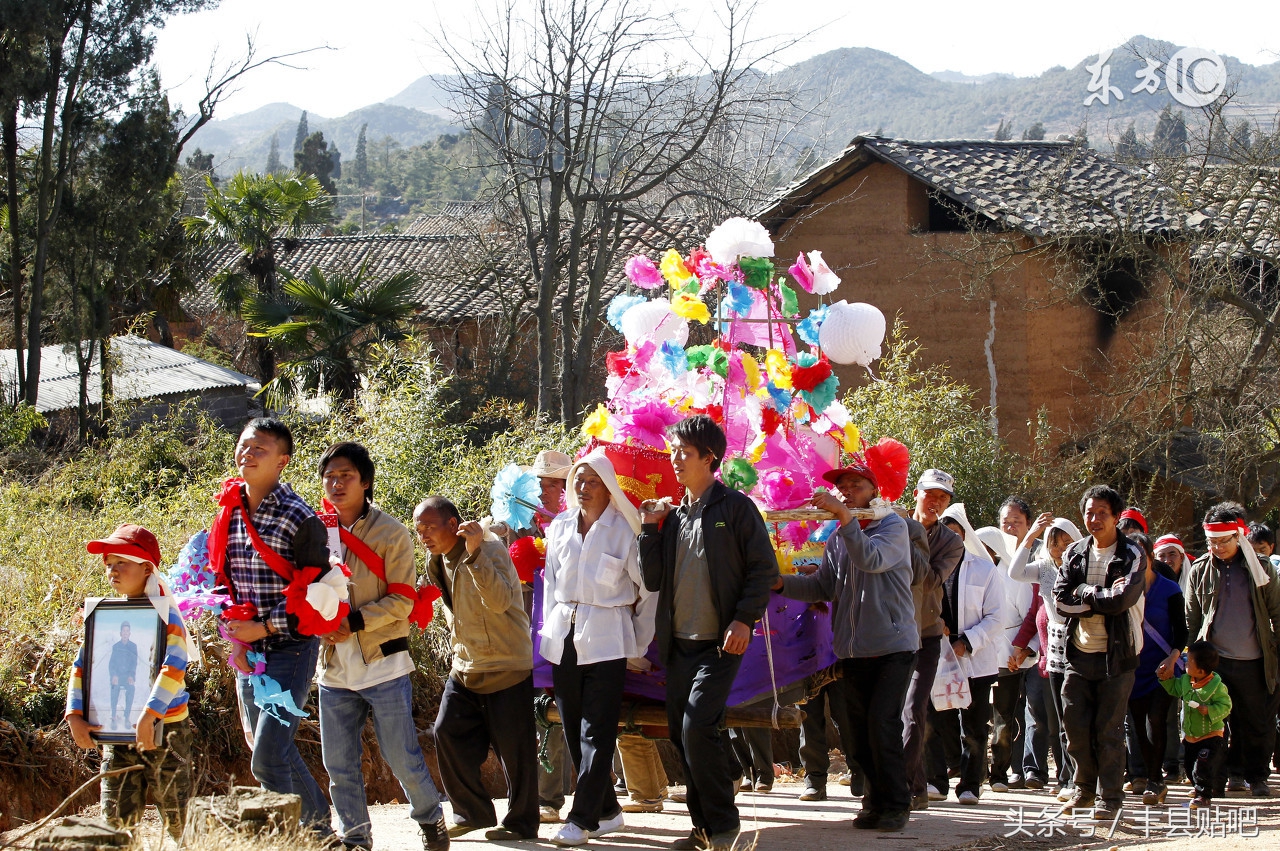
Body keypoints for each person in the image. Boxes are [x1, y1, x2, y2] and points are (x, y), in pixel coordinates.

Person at [638, 415, 778, 851]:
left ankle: (723, 825)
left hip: (721, 642)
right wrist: (648, 529)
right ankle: (702, 830)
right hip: (678, 643)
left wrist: (743, 619)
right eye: (673, 451)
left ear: (709, 458)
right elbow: (654, 579)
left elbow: (764, 571)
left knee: (698, 725)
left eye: (684, 452)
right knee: (684, 733)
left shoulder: (735, 509)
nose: (675, 459)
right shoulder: (675, 515)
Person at [772, 438, 917, 832]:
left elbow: (871, 560)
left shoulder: (893, 528)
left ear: (875, 491)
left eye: (857, 485)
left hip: (892, 647)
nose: (848, 492)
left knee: (882, 725)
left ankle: (896, 804)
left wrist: (845, 518)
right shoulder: (838, 538)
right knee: (855, 732)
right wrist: (779, 584)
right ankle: (874, 800)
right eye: (844, 486)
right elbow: (823, 586)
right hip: (851, 651)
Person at [315, 443, 449, 851]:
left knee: (401, 756)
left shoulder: (391, 532)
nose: (337, 484)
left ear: (366, 482)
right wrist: (319, 625)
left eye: (346, 476)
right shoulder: (316, 532)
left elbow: (403, 600)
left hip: (384, 663)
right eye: (330, 477)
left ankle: (430, 819)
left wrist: (351, 622)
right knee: (338, 763)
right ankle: (357, 838)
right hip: (334, 666)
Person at [210, 417, 334, 833]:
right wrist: (235, 636)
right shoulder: (228, 510)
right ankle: (320, 829)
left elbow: (320, 597)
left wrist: (263, 629)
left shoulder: (301, 518)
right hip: (248, 650)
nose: (247, 453)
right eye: (244, 445)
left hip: (290, 648)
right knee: (269, 748)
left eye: (259, 448)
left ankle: (302, 837)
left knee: (266, 755)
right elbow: (221, 580)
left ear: (282, 461)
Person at [540, 450, 655, 846]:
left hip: (608, 639)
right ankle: (608, 810)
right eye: (578, 481)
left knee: (597, 731)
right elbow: (551, 585)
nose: (582, 488)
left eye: (591, 482)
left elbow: (647, 591)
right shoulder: (559, 527)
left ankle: (581, 819)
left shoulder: (625, 530)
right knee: (573, 729)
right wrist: (548, 632)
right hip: (564, 637)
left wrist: (637, 643)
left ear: (609, 488)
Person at [416, 496, 539, 841]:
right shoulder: (435, 559)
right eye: (418, 528)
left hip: (506, 662)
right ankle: (473, 812)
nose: (423, 534)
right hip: (466, 663)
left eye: (429, 526)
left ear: (453, 525)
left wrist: (475, 555)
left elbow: (500, 601)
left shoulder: (490, 549)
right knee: (446, 732)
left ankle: (521, 822)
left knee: (514, 749)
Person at [66, 524, 193, 840]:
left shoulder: (166, 616)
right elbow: (82, 666)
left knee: (177, 817)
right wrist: (74, 716)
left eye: (121, 562)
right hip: (115, 731)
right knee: (116, 821)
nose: (113, 570)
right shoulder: (103, 616)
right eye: (109, 564)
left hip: (167, 730)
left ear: (147, 568)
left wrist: (149, 715)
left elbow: (175, 664)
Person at [1054, 485, 1146, 821]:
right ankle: (1083, 789)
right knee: (1075, 726)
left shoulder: (1132, 554)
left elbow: (1122, 601)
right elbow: (1061, 601)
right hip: (1078, 653)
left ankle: (1110, 798)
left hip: (1117, 655)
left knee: (1108, 729)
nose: (1094, 519)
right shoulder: (1075, 553)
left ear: (1117, 517)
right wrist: (1097, 596)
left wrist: (1084, 593)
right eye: (1089, 513)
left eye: (1102, 513)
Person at [494, 448, 575, 826]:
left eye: (554, 483)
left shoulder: (576, 522)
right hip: (520, 627)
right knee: (526, 711)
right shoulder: (515, 523)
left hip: (563, 626)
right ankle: (528, 794)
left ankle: (549, 798)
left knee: (552, 709)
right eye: (540, 483)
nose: (545, 491)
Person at [1185, 501, 1280, 797]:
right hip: (1215, 662)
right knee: (1213, 723)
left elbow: (1277, 613)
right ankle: (1219, 778)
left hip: (1256, 660)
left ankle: (1256, 776)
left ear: (1238, 536)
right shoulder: (1199, 570)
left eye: (1224, 540)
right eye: (1212, 541)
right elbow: (1191, 621)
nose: (1217, 547)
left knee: (1256, 722)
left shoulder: (1261, 569)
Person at [927, 504, 1005, 806]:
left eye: (956, 534)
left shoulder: (984, 569)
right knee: (934, 723)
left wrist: (967, 642)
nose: (950, 539)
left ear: (965, 536)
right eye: (943, 534)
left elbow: (996, 616)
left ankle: (971, 784)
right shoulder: (929, 568)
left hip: (976, 661)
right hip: (938, 659)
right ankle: (936, 781)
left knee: (974, 728)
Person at [901, 469, 963, 811]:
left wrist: (909, 536)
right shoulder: (888, 524)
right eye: (930, 494)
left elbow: (929, 580)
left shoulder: (951, 543)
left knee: (914, 710)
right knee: (888, 713)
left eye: (943, 497)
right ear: (916, 493)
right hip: (889, 634)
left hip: (925, 636)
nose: (936, 502)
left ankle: (904, 787)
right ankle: (917, 786)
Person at [1008, 514, 1081, 799]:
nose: (1061, 549)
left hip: (1082, 640)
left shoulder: (1083, 566)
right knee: (1058, 717)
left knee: (1074, 714)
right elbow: (1015, 572)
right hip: (1055, 646)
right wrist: (1030, 536)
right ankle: (1066, 779)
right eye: (1055, 544)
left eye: (1067, 543)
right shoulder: (1044, 567)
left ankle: (1080, 777)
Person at [1125, 533, 1186, 806]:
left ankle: (1155, 780)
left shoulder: (1169, 589)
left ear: (1150, 557)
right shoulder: (1122, 588)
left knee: (1156, 721)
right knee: (1138, 726)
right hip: (1133, 669)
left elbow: (1181, 632)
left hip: (1164, 669)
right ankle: (1152, 776)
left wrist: (1173, 659)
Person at [989, 497, 1035, 792]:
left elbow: (1031, 614)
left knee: (1008, 716)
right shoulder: (985, 560)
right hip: (978, 650)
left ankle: (1001, 772)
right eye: (1005, 521)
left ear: (1028, 526)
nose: (1010, 527)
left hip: (1015, 652)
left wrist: (1021, 648)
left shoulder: (1031, 565)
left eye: (1017, 522)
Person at [1159, 641, 1232, 809]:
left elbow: (1226, 706)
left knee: (1202, 765)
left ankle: (1203, 796)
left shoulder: (1217, 687)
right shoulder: (1186, 681)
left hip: (1211, 736)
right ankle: (1199, 788)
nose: (1185, 662)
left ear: (1201, 670)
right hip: (1191, 737)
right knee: (1190, 766)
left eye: (1189, 661)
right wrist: (1165, 679)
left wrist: (1211, 710)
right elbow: (1175, 689)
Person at [108, 622, 138, 726]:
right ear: (120, 633)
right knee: (114, 688)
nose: (125, 633)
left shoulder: (133, 646)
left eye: (127, 631)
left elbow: (134, 664)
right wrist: (114, 675)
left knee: (131, 689)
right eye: (123, 631)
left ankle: (126, 717)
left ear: (129, 633)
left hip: (127, 676)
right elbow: (112, 664)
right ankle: (113, 716)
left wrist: (131, 676)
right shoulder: (116, 646)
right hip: (117, 676)